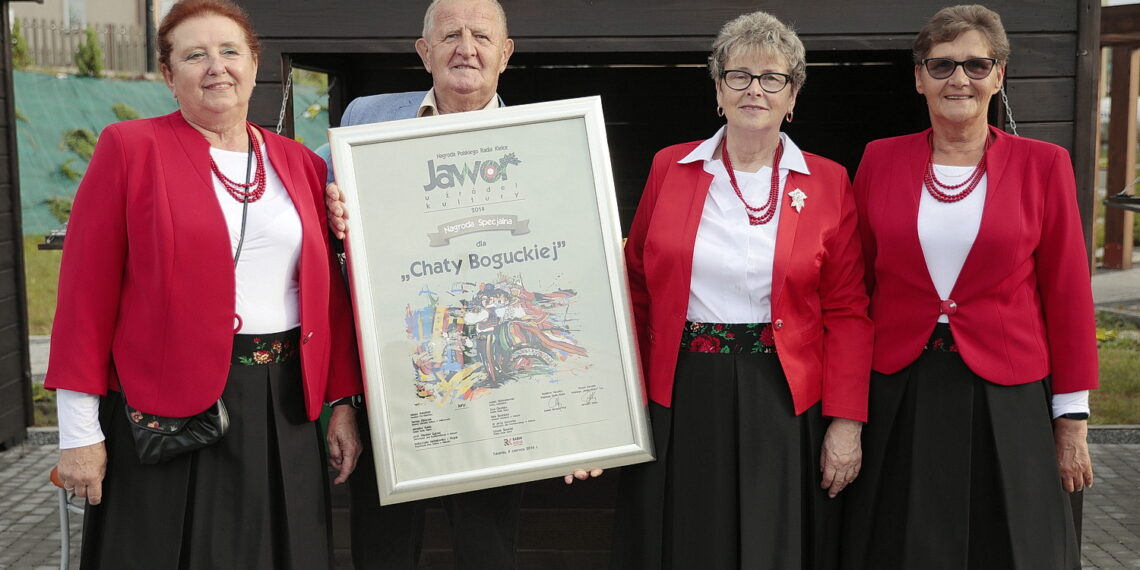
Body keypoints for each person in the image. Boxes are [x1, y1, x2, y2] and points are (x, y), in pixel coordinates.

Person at [45, 0, 363, 567]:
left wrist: (342, 404)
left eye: (229, 51)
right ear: (169, 76)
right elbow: (83, 301)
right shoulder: (129, 149)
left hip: (284, 407)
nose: (216, 66)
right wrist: (78, 433)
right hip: (166, 409)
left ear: (253, 64)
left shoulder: (302, 165)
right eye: (195, 55)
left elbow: (328, 297)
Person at [839, 5, 1097, 569]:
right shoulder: (879, 160)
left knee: (1010, 547)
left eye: (977, 65)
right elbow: (851, 288)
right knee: (899, 544)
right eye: (942, 65)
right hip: (900, 389)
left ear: (999, 75)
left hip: (1008, 392)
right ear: (918, 77)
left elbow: (1068, 293)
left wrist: (1071, 417)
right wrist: (846, 408)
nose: (959, 79)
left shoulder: (1044, 165)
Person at [612, 11, 872, 569]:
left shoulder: (828, 182)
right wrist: (616, 403)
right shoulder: (669, 168)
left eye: (772, 77)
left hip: (783, 396)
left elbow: (848, 311)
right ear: (718, 89)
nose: (755, 88)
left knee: (771, 546)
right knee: (688, 541)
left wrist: (846, 421)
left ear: (792, 95)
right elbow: (634, 287)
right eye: (739, 75)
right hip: (681, 392)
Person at [319, 1, 565, 568]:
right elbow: (310, 219)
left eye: (481, 35)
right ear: (423, 51)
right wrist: (325, 206)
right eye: (449, 34)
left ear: (506, 53)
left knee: (487, 547)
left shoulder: (543, 142)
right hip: (391, 379)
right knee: (382, 548)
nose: (466, 47)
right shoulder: (365, 120)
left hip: (495, 384)